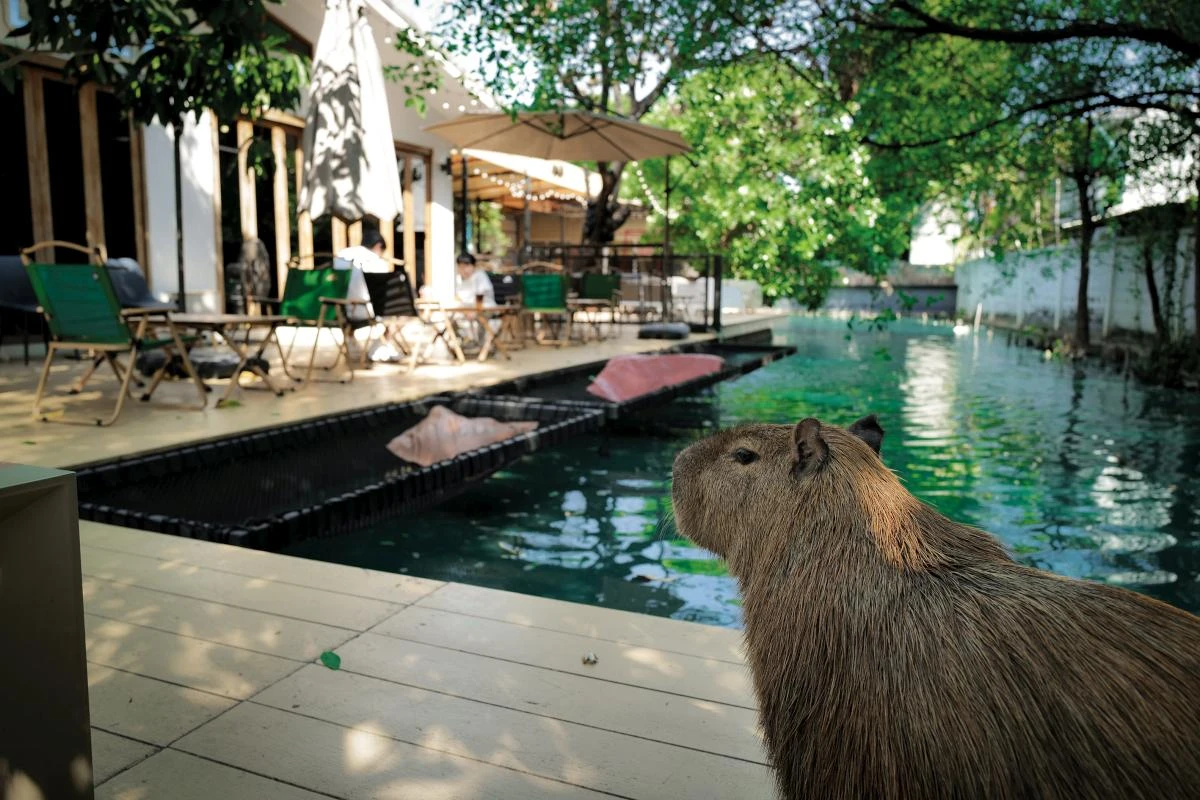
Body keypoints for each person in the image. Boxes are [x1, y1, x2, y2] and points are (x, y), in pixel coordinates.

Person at [333, 229, 389, 322]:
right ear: (378, 246)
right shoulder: (378, 262)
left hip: (337, 311)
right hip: (366, 311)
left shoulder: (341, 255)